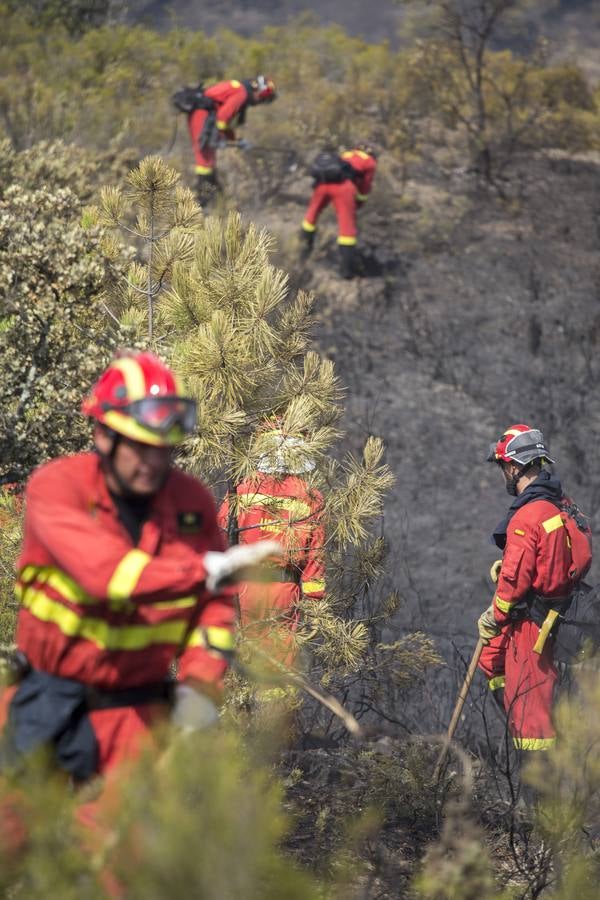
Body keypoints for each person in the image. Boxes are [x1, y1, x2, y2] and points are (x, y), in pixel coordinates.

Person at [0, 351, 278, 836]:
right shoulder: (57, 488)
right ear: (103, 436)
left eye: (165, 450)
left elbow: (211, 611)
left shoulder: (189, 502)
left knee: (118, 861)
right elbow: (106, 576)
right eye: (140, 447)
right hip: (44, 695)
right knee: (11, 841)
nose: (154, 462)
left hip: (132, 710)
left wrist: (199, 686)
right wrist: (207, 568)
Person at [477, 424, 592, 753]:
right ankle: (513, 717)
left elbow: (513, 584)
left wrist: (493, 616)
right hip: (553, 609)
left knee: (531, 711)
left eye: (502, 467)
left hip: (531, 622)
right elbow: (561, 554)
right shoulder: (562, 503)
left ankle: (537, 795)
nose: (503, 475)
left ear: (513, 466)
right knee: (491, 658)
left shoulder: (527, 516)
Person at [218, 424, 325, 666]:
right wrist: (315, 603)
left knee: (235, 664)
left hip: (240, 588)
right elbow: (315, 555)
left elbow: (219, 536)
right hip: (282, 591)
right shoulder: (310, 497)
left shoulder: (240, 489)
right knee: (276, 668)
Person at [187, 75, 277, 204]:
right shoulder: (241, 93)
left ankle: (212, 196)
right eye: (263, 99)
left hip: (205, 116)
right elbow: (222, 119)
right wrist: (225, 139)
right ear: (259, 93)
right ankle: (203, 201)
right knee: (205, 159)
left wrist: (234, 140)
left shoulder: (242, 90)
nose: (259, 103)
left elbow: (224, 120)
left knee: (208, 160)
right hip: (201, 115)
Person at [299, 143, 378, 279]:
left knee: (310, 218)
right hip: (344, 188)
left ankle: (303, 253)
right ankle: (346, 271)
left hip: (322, 184)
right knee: (347, 229)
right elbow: (365, 187)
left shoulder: (346, 155)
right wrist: (358, 203)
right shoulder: (369, 162)